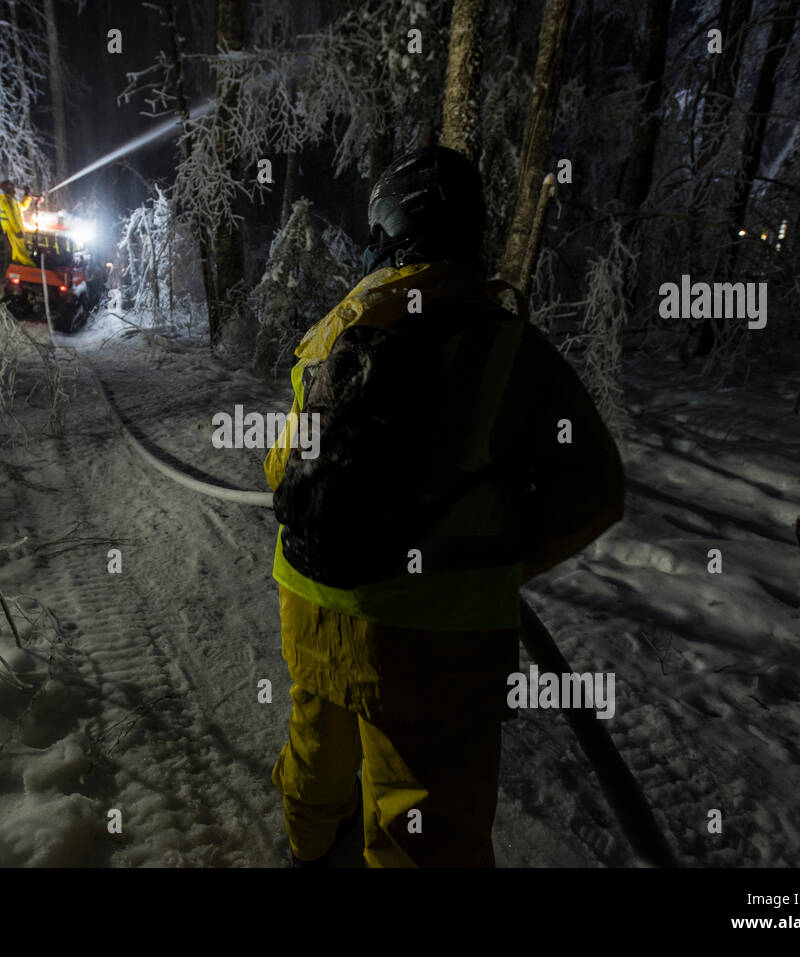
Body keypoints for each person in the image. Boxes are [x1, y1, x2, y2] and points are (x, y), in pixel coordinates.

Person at [265, 146, 626, 868]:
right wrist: (501, 557)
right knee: (420, 810)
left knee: (317, 736)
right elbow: (595, 491)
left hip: (311, 595)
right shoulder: (507, 347)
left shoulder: (334, 330)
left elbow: (280, 466)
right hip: (431, 635)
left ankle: (307, 847)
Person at [0, 180, 36, 266]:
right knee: (21, 250)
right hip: (13, 229)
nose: (14, 188)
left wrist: (27, 196)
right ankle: (31, 266)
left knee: (17, 250)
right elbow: (12, 217)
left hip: (14, 229)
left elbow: (23, 207)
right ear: (8, 188)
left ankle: (17, 264)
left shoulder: (12, 200)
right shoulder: (7, 201)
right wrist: (18, 230)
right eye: (12, 186)